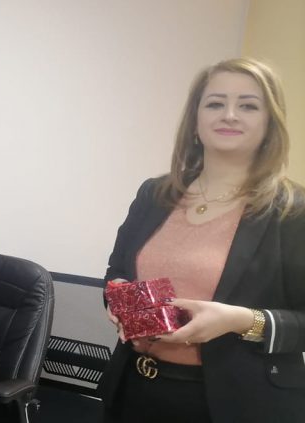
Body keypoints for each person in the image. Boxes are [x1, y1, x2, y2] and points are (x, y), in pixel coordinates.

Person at [100, 58, 305, 423]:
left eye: (248, 106)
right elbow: (117, 272)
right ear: (195, 119)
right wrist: (119, 302)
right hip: (134, 388)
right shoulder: (154, 195)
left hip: (238, 404)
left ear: (269, 122)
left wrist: (240, 320)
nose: (229, 115)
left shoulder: (292, 211)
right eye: (215, 103)